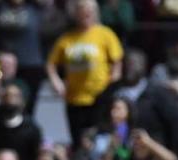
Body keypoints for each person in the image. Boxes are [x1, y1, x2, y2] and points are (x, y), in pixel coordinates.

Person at [46, 0, 123, 147]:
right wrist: (57, 82)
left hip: (99, 98)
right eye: (82, 10)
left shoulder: (105, 34)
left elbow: (117, 62)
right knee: (78, 142)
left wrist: (111, 83)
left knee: (97, 141)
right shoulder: (67, 38)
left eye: (89, 10)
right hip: (74, 98)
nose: (86, 14)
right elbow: (51, 64)